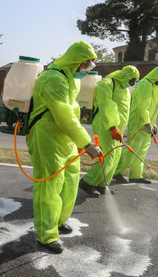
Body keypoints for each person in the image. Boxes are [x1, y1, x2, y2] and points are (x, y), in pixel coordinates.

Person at [26, 41, 102, 254]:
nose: (87, 70)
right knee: (50, 184)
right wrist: (87, 143)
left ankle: (59, 221)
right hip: (46, 136)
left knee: (70, 181)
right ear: (76, 61)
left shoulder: (72, 79)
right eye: (86, 65)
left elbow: (72, 111)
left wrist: (79, 140)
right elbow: (63, 114)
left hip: (66, 137)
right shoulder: (53, 78)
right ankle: (46, 234)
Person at [79, 65, 140, 197]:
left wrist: (121, 128)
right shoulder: (106, 84)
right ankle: (87, 182)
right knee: (107, 156)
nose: (132, 84)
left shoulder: (123, 86)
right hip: (105, 124)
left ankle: (101, 184)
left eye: (134, 82)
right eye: (132, 81)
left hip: (117, 127)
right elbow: (106, 106)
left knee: (115, 157)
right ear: (125, 77)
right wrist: (113, 127)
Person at [113, 66, 158, 184]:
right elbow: (142, 106)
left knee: (142, 150)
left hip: (147, 123)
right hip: (139, 122)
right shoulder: (145, 84)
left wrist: (153, 123)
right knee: (132, 149)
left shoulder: (155, 87)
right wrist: (146, 122)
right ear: (157, 76)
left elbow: (153, 108)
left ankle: (136, 175)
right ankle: (116, 172)